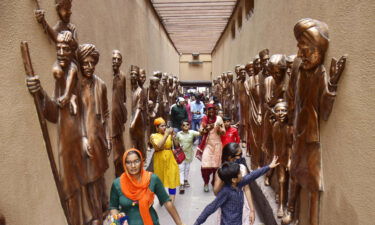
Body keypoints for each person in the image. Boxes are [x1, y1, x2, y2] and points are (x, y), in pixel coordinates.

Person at [194, 156, 279, 225]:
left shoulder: (239, 183)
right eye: (239, 173)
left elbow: (253, 175)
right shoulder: (226, 192)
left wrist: (269, 167)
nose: (241, 174)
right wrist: (197, 222)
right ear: (233, 179)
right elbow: (211, 207)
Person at [109, 148, 185, 225]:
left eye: (136, 161)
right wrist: (118, 221)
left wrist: (180, 223)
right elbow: (113, 207)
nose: (133, 166)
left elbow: (167, 202)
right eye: (129, 162)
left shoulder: (152, 179)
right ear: (124, 164)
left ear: (142, 161)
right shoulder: (117, 184)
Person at [213, 142, 255, 225]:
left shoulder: (242, 168)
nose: (240, 157)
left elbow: (246, 189)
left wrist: (252, 210)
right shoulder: (221, 171)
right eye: (238, 155)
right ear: (230, 157)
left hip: (243, 206)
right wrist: (225, 177)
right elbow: (216, 192)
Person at [150, 118, 180, 202]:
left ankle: (171, 202)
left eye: (165, 126)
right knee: (160, 180)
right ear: (157, 128)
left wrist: (174, 137)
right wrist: (166, 135)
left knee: (172, 179)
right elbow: (158, 146)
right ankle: (162, 198)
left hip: (170, 159)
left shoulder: (169, 135)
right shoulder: (153, 136)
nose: (164, 128)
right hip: (159, 161)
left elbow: (177, 146)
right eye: (162, 126)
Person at [199, 104, 226, 192]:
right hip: (207, 144)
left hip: (217, 144)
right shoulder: (204, 119)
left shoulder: (219, 119)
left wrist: (219, 129)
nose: (211, 112)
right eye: (209, 111)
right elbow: (201, 132)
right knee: (205, 165)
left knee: (216, 166)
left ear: (215, 111)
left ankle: (214, 181)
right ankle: (206, 182)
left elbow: (223, 132)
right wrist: (207, 128)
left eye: (213, 110)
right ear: (206, 111)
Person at [175, 120, 201, 194]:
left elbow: (200, 133)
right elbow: (176, 144)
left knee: (187, 168)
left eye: (187, 125)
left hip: (189, 154)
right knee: (181, 169)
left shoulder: (192, 132)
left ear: (189, 126)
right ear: (181, 127)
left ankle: (185, 180)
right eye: (184, 125)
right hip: (181, 155)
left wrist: (202, 130)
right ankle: (182, 184)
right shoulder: (178, 134)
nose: (186, 126)